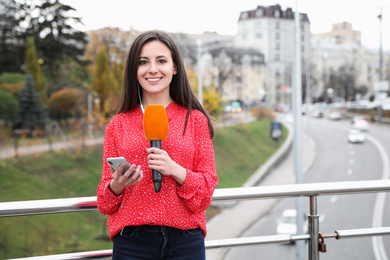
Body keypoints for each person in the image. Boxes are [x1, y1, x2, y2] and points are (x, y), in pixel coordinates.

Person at [97, 30, 218, 260]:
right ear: (135, 70)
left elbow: (205, 194)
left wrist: (177, 171)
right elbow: (104, 203)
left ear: (174, 67)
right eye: (143, 62)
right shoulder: (117, 125)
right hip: (131, 243)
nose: (153, 69)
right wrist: (117, 185)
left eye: (161, 60)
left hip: (185, 242)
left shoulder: (195, 120)